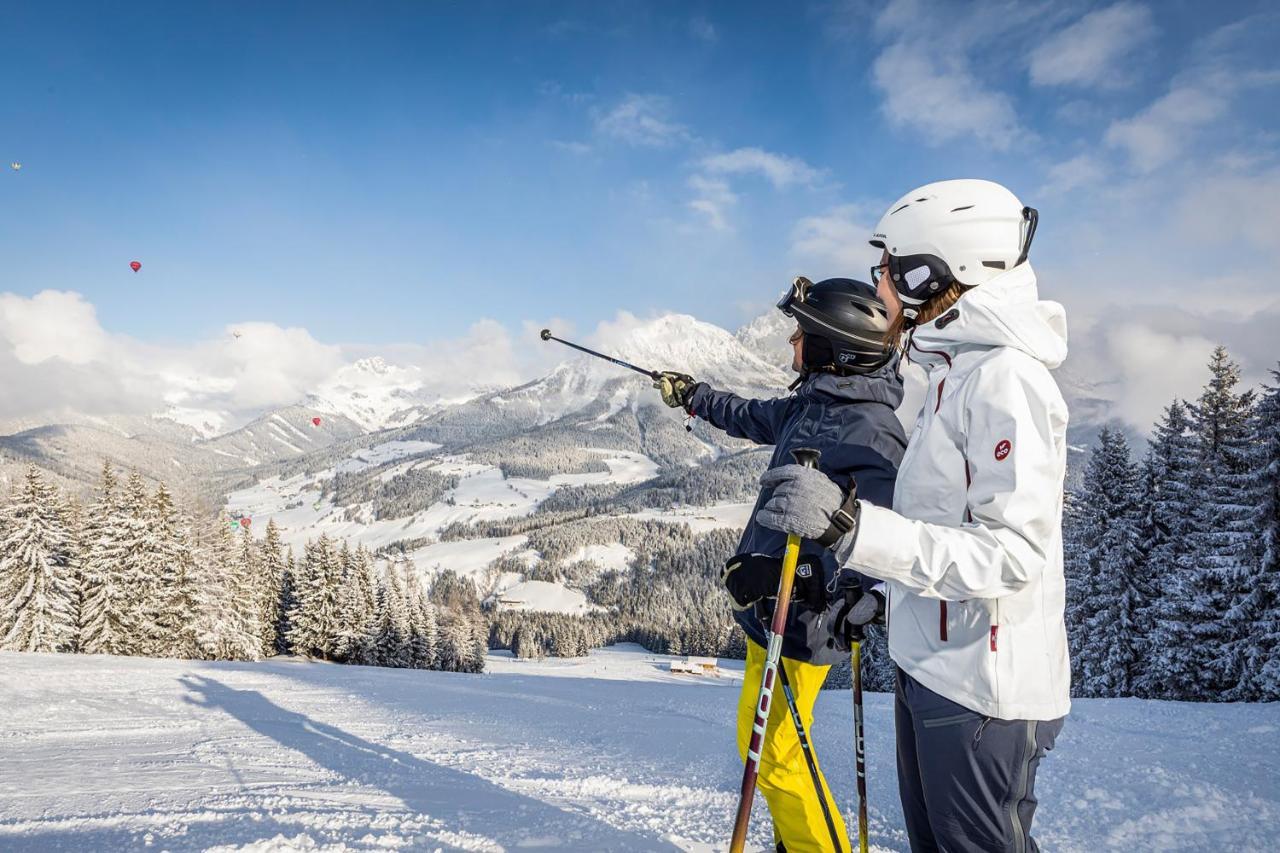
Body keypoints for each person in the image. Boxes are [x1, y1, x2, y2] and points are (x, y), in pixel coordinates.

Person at [755, 179, 1070, 853]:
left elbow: (1010, 555)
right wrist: (878, 593)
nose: (879, 284)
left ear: (931, 272)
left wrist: (850, 528)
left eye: (887, 268)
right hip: (931, 665)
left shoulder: (1005, 381)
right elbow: (936, 522)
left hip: (983, 693)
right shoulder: (953, 370)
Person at [655, 277, 907, 852]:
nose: (792, 343)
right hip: (768, 610)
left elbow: (881, 539)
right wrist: (694, 397)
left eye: (801, 334)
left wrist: (827, 591)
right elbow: (749, 414)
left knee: (775, 754)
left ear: (834, 348)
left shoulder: (871, 432)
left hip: (804, 621)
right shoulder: (814, 405)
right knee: (761, 740)